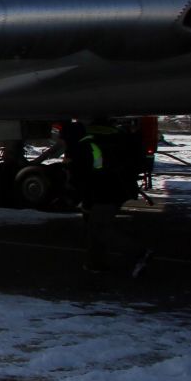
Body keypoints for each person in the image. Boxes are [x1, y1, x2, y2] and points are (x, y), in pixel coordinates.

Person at [67, 117, 149, 275]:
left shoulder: (87, 144)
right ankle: (95, 264)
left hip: (101, 191)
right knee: (94, 227)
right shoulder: (121, 138)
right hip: (119, 189)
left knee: (99, 228)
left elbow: (80, 173)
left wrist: (75, 193)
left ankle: (140, 253)